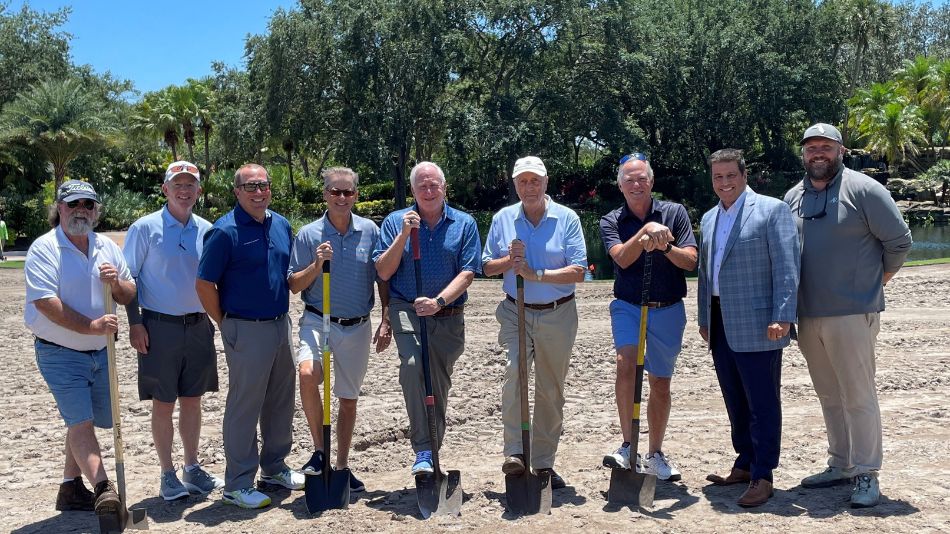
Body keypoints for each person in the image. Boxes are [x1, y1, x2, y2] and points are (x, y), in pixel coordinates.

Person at [784, 123, 912, 508]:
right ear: (803, 155)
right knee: (829, 395)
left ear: (841, 150)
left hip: (854, 313)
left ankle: (866, 473)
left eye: (825, 146)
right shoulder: (793, 197)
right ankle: (840, 463)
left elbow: (900, 241)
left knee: (858, 395)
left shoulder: (865, 189)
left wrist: (877, 282)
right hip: (807, 316)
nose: (817, 153)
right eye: (811, 148)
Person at [24, 180, 136, 521]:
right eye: (73, 204)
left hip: (103, 353)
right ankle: (105, 490)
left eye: (88, 204)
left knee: (84, 421)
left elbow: (129, 294)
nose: (81, 210)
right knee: (82, 422)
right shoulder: (45, 248)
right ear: (59, 208)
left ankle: (70, 487)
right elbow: (45, 303)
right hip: (60, 352)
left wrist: (116, 283)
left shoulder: (107, 247)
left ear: (96, 210)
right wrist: (91, 327)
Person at [196, 164, 303, 509]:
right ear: (237, 191)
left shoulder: (282, 224)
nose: (259, 192)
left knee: (280, 400)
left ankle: (273, 469)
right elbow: (204, 284)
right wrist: (225, 321)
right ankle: (238, 483)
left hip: (279, 323)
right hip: (244, 326)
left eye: (264, 185)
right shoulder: (224, 232)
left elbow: (287, 274)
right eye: (250, 186)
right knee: (246, 404)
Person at [697, 149, 800, 507]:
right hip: (721, 321)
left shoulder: (772, 210)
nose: (724, 182)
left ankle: (763, 474)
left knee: (762, 402)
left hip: (761, 323)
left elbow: (787, 267)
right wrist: (703, 318)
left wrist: (784, 315)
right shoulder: (709, 218)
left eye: (730, 175)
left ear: (744, 175)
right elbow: (705, 273)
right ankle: (743, 462)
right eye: (717, 177)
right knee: (735, 400)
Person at [482, 156, 587, 490]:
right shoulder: (503, 219)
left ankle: (542, 462)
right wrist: (509, 262)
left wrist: (535, 273)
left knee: (550, 389)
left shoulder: (567, 218)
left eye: (535, 181)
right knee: (515, 373)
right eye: (522, 182)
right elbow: (486, 267)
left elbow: (579, 271)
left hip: (558, 311)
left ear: (546, 182)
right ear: (515, 185)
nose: (529, 187)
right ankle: (514, 453)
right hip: (516, 309)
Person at [373, 161, 481, 476]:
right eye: (422, 185)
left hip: (448, 314)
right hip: (406, 308)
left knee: (437, 383)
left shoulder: (464, 223)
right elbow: (383, 271)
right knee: (411, 367)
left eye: (434, 184)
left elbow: (468, 272)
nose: (429, 190)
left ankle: (433, 447)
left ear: (444, 187)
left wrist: (438, 301)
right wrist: (406, 233)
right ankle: (423, 449)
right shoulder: (395, 222)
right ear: (413, 190)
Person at [122, 161, 223, 501]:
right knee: (163, 403)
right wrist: (135, 323)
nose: (184, 190)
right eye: (177, 184)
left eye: (190, 184)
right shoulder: (144, 228)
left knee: (193, 401)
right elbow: (129, 279)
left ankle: (192, 468)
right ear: (165, 189)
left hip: (197, 326)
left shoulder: (208, 229)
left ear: (199, 191)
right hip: (158, 326)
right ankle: (167, 474)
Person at [288, 167, 392, 493]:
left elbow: (382, 278)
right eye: (336, 192)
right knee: (307, 375)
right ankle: (320, 452)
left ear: (356, 195)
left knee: (348, 400)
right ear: (325, 195)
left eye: (348, 192)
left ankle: (343, 466)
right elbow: (293, 284)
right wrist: (316, 266)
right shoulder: (308, 235)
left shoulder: (370, 231)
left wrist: (386, 319)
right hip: (319, 320)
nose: (342, 198)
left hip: (357, 325)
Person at [599, 153, 698, 481]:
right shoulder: (611, 220)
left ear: (651, 182)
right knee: (625, 364)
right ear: (620, 185)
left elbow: (690, 262)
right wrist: (646, 235)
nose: (636, 184)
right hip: (628, 305)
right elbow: (622, 260)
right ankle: (629, 444)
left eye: (642, 178)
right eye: (629, 179)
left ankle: (655, 453)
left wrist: (666, 247)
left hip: (668, 307)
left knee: (660, 381)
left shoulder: (675, 213)